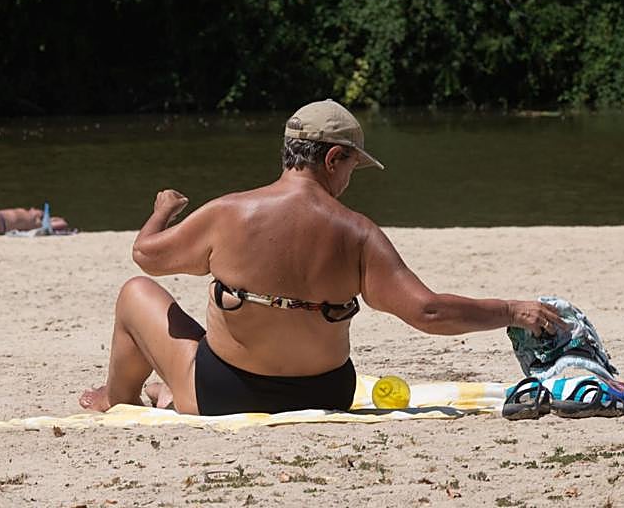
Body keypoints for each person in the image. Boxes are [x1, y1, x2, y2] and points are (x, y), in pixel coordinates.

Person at [79, 99, 566, 416]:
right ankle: (163, 393)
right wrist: (511, 310)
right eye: (353, 165)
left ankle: (118, 397)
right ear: (333, 159)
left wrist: (161, 212)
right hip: (326, 393)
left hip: (225, 394)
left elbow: (146, 256)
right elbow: (428, 312)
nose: (350, 179)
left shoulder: (228, 213)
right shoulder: (358, 232)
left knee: (135, 294)